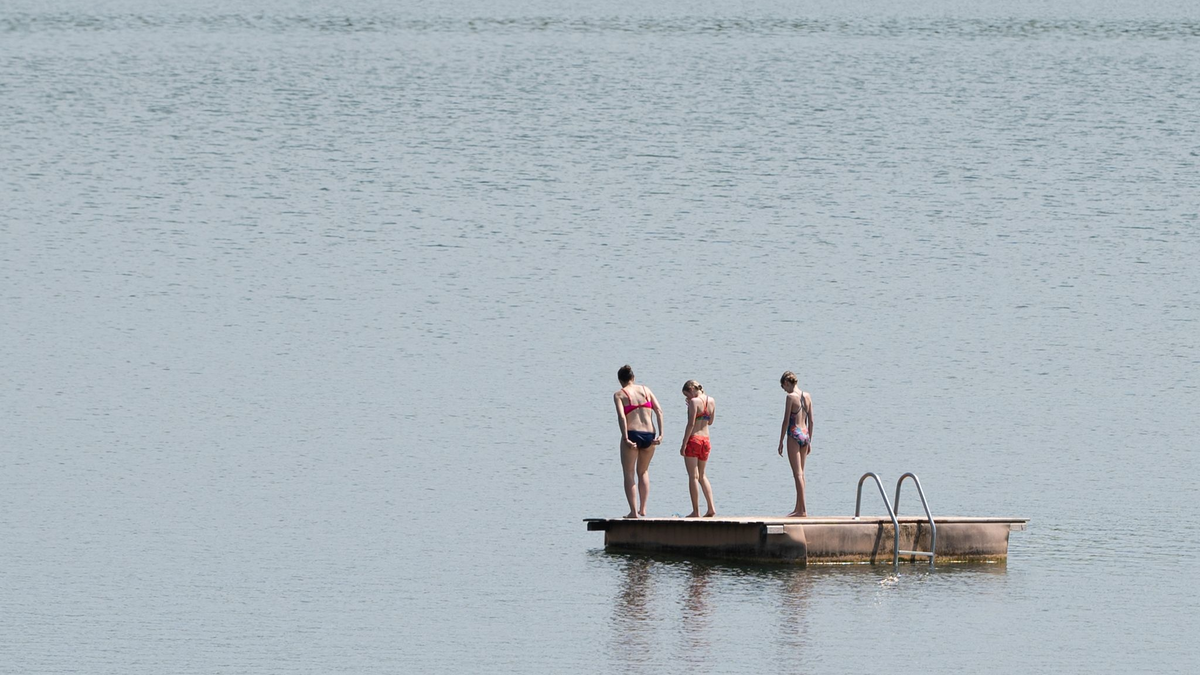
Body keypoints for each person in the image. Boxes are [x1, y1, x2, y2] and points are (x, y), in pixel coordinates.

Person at [614, 365, 664, 518]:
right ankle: (643, 509)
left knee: (629, 473)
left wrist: (625, 438)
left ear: (620, 381)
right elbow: (659, 410)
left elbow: (622, 417)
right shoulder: (646, 390)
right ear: (633, 378)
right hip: (649, 434)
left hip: (633, 433)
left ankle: (633, 512)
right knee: (643, 472)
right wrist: (661, 434)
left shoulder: (619, 394)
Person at [777, 371, 814, 517]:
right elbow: (811, 421)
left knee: (797, 473)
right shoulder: (807, 396)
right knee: (802, 474)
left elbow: (786, 421)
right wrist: (809, 439)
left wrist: (780, 441)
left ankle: (802, 510)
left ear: (787, 383)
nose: (784, 390)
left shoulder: (790, 397)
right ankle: (798, 507)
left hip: (793, 434)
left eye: (783, 387)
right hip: (805, 435)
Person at [680, 380, 716, 518]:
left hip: (694, 440)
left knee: (693, 477)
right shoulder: (711, 400)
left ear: (692, 389)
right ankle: (711, 508)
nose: (688, 399)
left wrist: (683, 444)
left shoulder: (694, 402)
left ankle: (696, 511)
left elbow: (690, 424)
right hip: (706, 440)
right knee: (702, 475)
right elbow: (711, 421)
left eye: (687, 395)